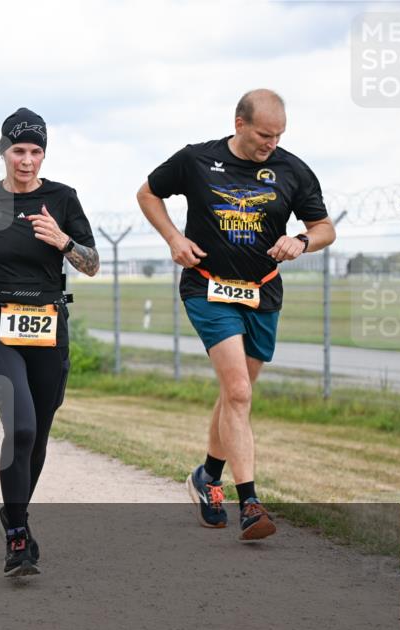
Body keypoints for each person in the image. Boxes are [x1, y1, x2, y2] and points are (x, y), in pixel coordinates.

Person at [137, 89, 336, 541]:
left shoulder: (292, 170)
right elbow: (148, 193)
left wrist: (302, 241)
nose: (272, 143)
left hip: (262, 294)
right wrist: (173, 238)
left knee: (235, 396)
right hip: (207, 287)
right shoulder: (196, 160)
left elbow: (325, 228)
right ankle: (249, 503)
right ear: (240, 123)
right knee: (240, 392)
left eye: (280, 135)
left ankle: (206, 476)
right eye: (265, 134)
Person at [0, 108, 100, 577]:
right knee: (20, 426)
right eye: (19, 151)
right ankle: (18, 532)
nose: (27, 160)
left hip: (48, 323)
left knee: (38, 432)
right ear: (3, 152)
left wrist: (62, 242)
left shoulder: (63, 198)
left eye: (36, 151)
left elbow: (92, 264)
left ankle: (13, 514)